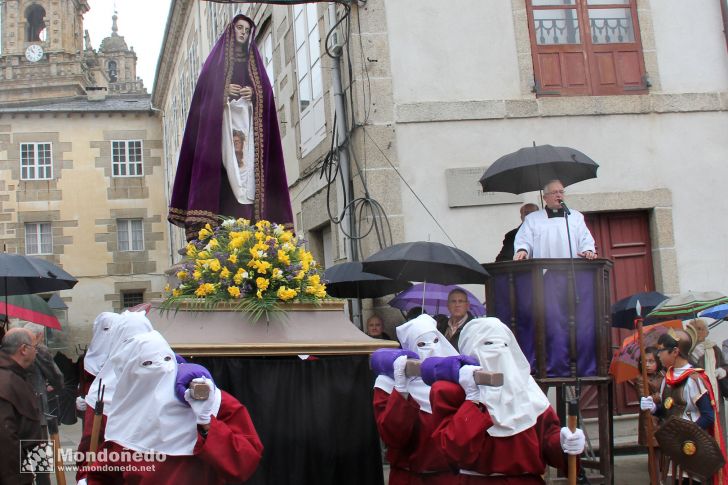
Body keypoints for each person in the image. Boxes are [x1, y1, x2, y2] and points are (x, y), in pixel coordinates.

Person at [168, 14, 293, 241]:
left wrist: (254, 93)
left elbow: (267, 99)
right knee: (227, 178)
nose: (243, 33)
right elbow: (204, 100)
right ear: (231, 30)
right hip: (222, 135)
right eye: (239, 28)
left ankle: (252, 231)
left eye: (246, 29)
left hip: (248, 132)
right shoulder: (214, 63)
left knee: (248, 177)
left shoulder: (256, 66)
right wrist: (223, 93)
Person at [85, 331, 263, 484]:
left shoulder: (213, 401)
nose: (161, 368)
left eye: (166, 358)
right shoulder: (127, 413)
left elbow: (244, 464)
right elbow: (105, 474)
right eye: (146, 364)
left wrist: (207, 424)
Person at [427, 317, 585, 482]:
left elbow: (547, 440)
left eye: (504, 345)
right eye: (487, 344)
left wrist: (564, 442)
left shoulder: (528, 392)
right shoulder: (450, 391)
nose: (497, 351)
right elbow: (452, 449)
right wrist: (473, 400)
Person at [372, 314, 460, 484]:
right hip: (408, 478)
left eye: (436, 341)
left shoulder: (456, 382)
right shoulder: (386, 385)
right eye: (422, 344)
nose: (433, 350)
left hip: (448, 478)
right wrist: (401, 391)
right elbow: (393, 436)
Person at [641, 329, 728, 484]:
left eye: (661, 350)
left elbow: (708, 416)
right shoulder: (667, 378)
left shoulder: (694, 379)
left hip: (691, 448)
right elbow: (666, 411)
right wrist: (654, 409)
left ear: (675, 351)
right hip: (674, 448)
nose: (658, 355)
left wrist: (686, 435)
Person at [513, 180, 597, 260]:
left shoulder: (576, 216)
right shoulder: (532, 219)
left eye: (561, 192)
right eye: (554, 192)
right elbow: (523, 239)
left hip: (572, 270)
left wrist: (588, 250)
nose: (559, 195)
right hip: (542, 270)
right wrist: (522, 250)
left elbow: (585, 238)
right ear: (545, 198)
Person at [22, 323, 63, 485]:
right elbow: (58, 379)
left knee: (17, 462)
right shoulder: (39, 351)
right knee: (40, 464)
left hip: (12, 412)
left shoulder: (7, 349)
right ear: (38, 336)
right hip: (36, 412)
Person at [0, 328, 42, 485]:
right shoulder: (6, 381)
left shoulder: (15, 376)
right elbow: (5, 439)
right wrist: (19, 480)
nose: (36, 352)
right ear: (23, 349)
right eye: (35, 347)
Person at [687, 318, 728, 447]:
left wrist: (723, 371)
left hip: (715, 395)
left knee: (719, 430)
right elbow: (684, 370)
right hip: (697, 396)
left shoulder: (714, 348)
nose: (698, 332)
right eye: (695, 329)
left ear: (707, 332)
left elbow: (724, 365)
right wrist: (692, 357)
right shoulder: (687, 349)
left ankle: (721, 460)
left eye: (701, 329)